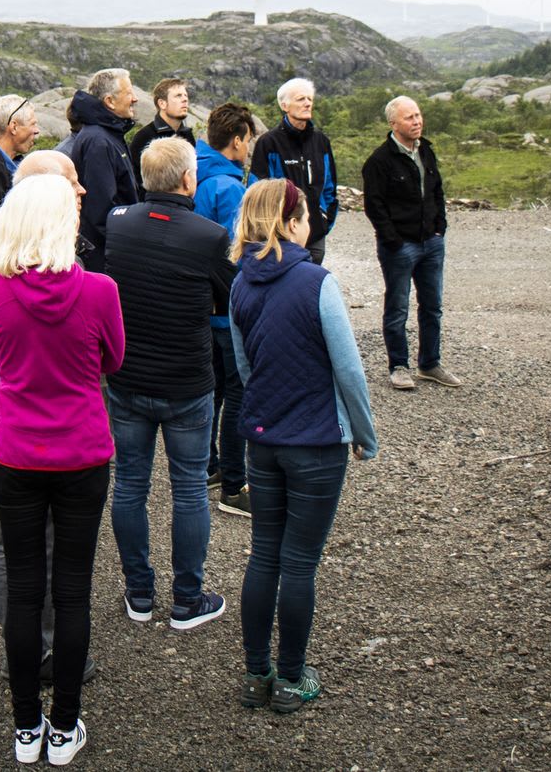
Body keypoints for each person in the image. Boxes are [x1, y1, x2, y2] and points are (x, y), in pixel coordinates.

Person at [0, 172, 126, 766]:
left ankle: (25, 726)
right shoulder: (100, 291)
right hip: (83, 451)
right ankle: (64, 725)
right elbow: (113, 358)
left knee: (23, 590)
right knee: (72, 590)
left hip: (16, 450)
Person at [228, 179, 377, 712]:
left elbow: (244, 365)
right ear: (290, 223)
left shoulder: (240, 283)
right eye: (307, 215)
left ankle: (256, 674)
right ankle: (291, 677)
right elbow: (349, 370)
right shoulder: (317, 281)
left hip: (263, 439)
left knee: (264, 553)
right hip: (316, 442)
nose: (311, 222)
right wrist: (364, 434)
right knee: (299, 562)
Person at [0, 152, 91, 683]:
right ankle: (35, 652)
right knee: (19, 544)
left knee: (50, 544)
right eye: (71, 183)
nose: (82, 191)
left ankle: (47, 645)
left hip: (54, 439)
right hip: (16, 440)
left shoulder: (58, 256)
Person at [102, 137, 234, 632]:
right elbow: (230, 295)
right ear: (187, 179)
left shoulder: (118, 223)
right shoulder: (209, 235)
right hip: (187, 383)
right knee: (190, 490)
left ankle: (139, 593)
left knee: (130, 485)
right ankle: (187, 599)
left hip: (128, 377)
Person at [361, 96, 460, 392]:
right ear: (394, 124)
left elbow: (437, 191)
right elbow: (374, 206)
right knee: (397, 308)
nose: (417, 121)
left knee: (432, 306)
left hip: (431, 242)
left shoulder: (426, 151)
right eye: (409, 117)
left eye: (418, 115)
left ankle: (429, 363)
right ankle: (399, 366)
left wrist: (440, 227)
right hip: (400, 246)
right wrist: (392, 239)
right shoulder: (379, 161)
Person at [193, 103, 258, 513]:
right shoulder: (229, 187)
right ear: (236, 140)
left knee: (212, 390)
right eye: (247, 140)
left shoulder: (194, 174)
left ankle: (210, 465)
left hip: (202, 305)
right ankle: (235, 485)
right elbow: (238, 253)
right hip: (227, 310)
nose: (248, 147)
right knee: (237, 392)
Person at [249, 78, 337, 262]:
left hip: (315, 233)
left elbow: (330, 187)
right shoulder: (269, 143)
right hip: (282, 235)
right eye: (301, 99)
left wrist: (325, 220)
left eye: (310, 99)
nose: (307, 103)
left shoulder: (321, 142)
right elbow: (258, 190)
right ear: (284, 105)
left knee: (313, 278)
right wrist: (273, 228)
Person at [59, 68, 140, 269]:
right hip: (105, 258)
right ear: (110, 101)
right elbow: (101, 211)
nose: (135, 99)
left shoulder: (108, 135)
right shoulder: (98, 142)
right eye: (129, 93)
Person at [127, 77, 196, 195]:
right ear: (162, 103)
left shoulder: (187, 136)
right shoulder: (144, 137)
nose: (185, 99)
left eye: (185, 95)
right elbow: (135, 180)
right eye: (178, 96)